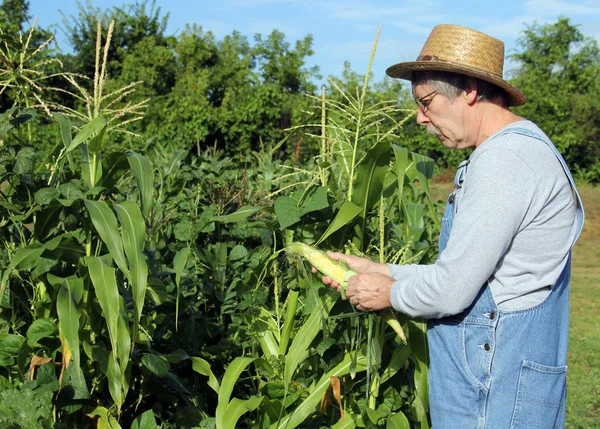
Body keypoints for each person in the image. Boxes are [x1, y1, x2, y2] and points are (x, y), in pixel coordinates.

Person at [319, 24, 585, 428]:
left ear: (470, 91)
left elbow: (453, 291)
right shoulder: (516, 150)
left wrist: (387, 292)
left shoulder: (505, 161)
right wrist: (383, 271)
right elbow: (476, 277)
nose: (420, 118)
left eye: (427, 102)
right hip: (505, 375)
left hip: (494, 381)